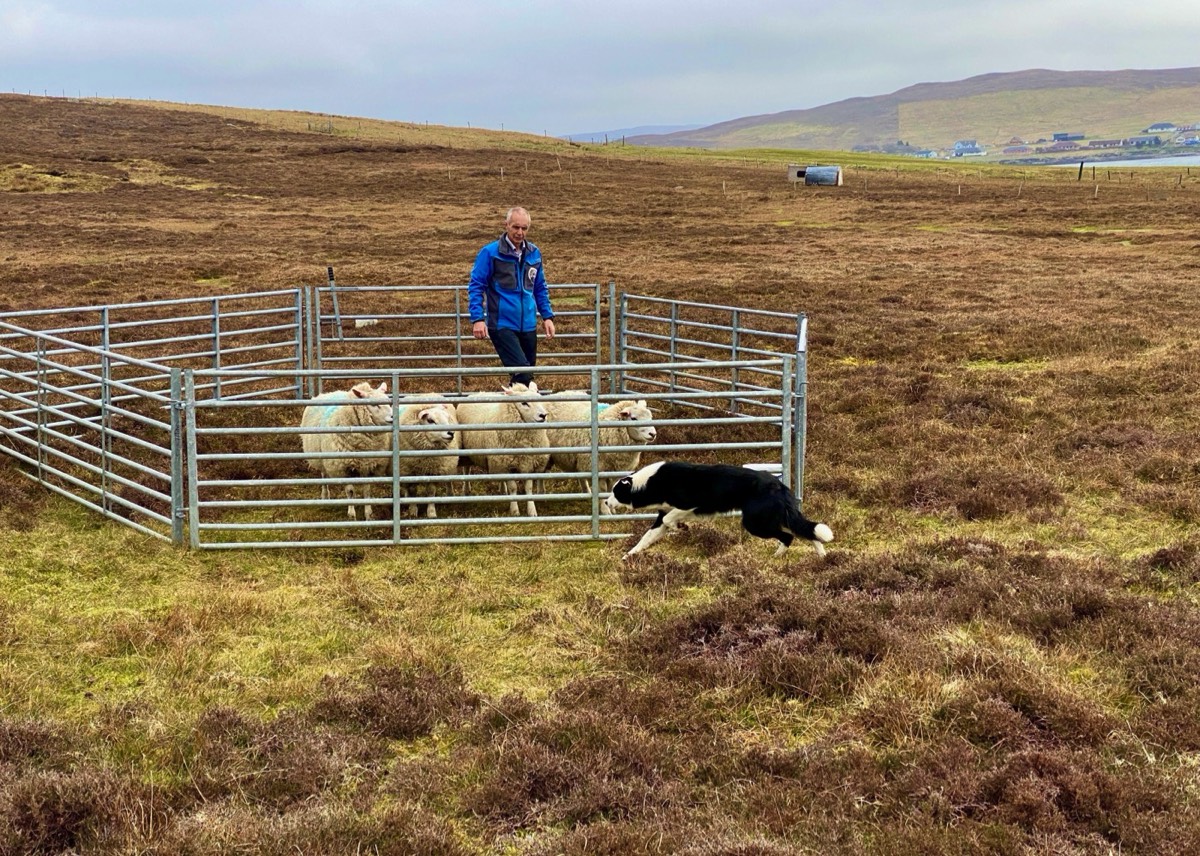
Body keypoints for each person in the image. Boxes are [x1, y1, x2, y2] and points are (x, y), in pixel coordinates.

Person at [468, 206, 555, 386]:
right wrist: (477, 318)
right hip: (502, 324)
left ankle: (511, 411)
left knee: (524, 378)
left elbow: (539, 286)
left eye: (524, 228)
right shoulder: (490, 253)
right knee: (523, 373)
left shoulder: (534, 253)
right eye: (516, 227)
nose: (520, 232)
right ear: (506, 225)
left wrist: (547, 316)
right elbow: (477, 285)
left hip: (528, 324)